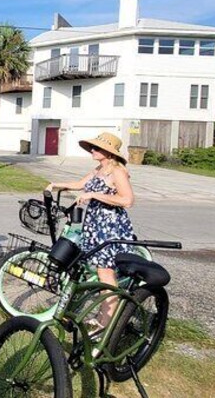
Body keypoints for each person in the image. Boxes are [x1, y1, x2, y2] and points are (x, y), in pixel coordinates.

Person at [46, 132, 135, 331]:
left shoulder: (117, 172)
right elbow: (80, 185)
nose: (92, 150)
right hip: (95, 225)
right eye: (92, 147)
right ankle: (104, 317)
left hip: (109, 227)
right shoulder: (99, 169)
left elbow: (127, 200)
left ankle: (106, 323)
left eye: (96, 148)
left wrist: (95, 194)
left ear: (109, 153)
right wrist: (56, 184)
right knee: (100, 272)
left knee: (106, 274)